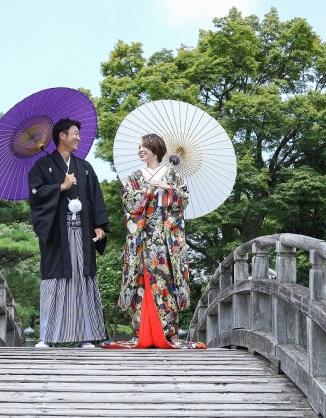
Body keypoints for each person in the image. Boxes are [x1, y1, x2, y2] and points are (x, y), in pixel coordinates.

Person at [103, 133, 205, 349]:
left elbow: (183, 200)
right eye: (139, 146)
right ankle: (142, 332)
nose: (140, 150)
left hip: (166, 238)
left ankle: (166, 333)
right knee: (141, 279)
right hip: (142, 236)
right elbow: (130, 205)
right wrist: (149, 190)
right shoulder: (134, 176)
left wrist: (167, 188)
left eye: (144, 146)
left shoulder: (173, 175)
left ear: (155, 149)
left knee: (166, 281)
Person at [28, 118, 109, 348]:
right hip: (57, 235)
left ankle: (86, 336)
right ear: (62, 136)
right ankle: (49, 336)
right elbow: (35, 194)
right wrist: (59, 187)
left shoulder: (84, 167)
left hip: (82, 232)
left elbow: (96, 197)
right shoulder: (42, 167)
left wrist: (99, 224)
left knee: (83, 280)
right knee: (56, 281)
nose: (79, 138)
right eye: (75, 133)